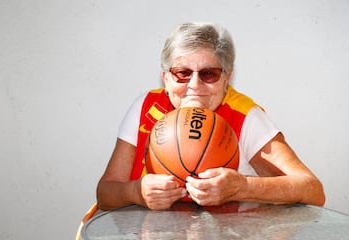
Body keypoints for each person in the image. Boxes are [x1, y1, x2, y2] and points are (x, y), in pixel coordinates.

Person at [96, 22, 325, 211]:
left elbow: (313, 190)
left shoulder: (246, 117)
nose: (194, 85)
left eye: (209, 74)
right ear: (166, 78)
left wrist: (243, 187)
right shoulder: (146, 107)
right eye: (182, 73)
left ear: (226, 79)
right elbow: (105, 193)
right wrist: (136, 192)